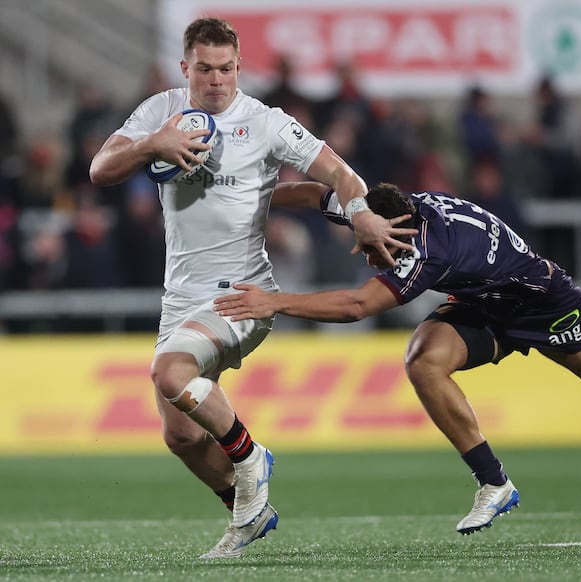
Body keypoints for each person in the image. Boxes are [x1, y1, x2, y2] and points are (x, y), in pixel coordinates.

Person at [214, 181, 581, 535]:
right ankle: (494, 482)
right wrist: (252, 197)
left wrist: (274, 301)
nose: (363, 250)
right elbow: (314, 193)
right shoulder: (380, 211)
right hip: (485, 303)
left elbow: (359, 306)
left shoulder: (424, 249)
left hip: (542, 303)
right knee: (422, 359)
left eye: (368, 246)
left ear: (396, 236)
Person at [89, 17, 415, 559]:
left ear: (239, 67)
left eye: (226, 69)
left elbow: (340, 172)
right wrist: (154, 142)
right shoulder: (159, 111)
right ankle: (247, 512)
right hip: (181, 299)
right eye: (204, 70)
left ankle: (250, 458)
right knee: (182, 437)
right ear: (184, 68)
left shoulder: (266, 123)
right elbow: (101, 169)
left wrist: (358, 212)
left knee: (170, 372)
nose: (216, 80)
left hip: (242, 296)